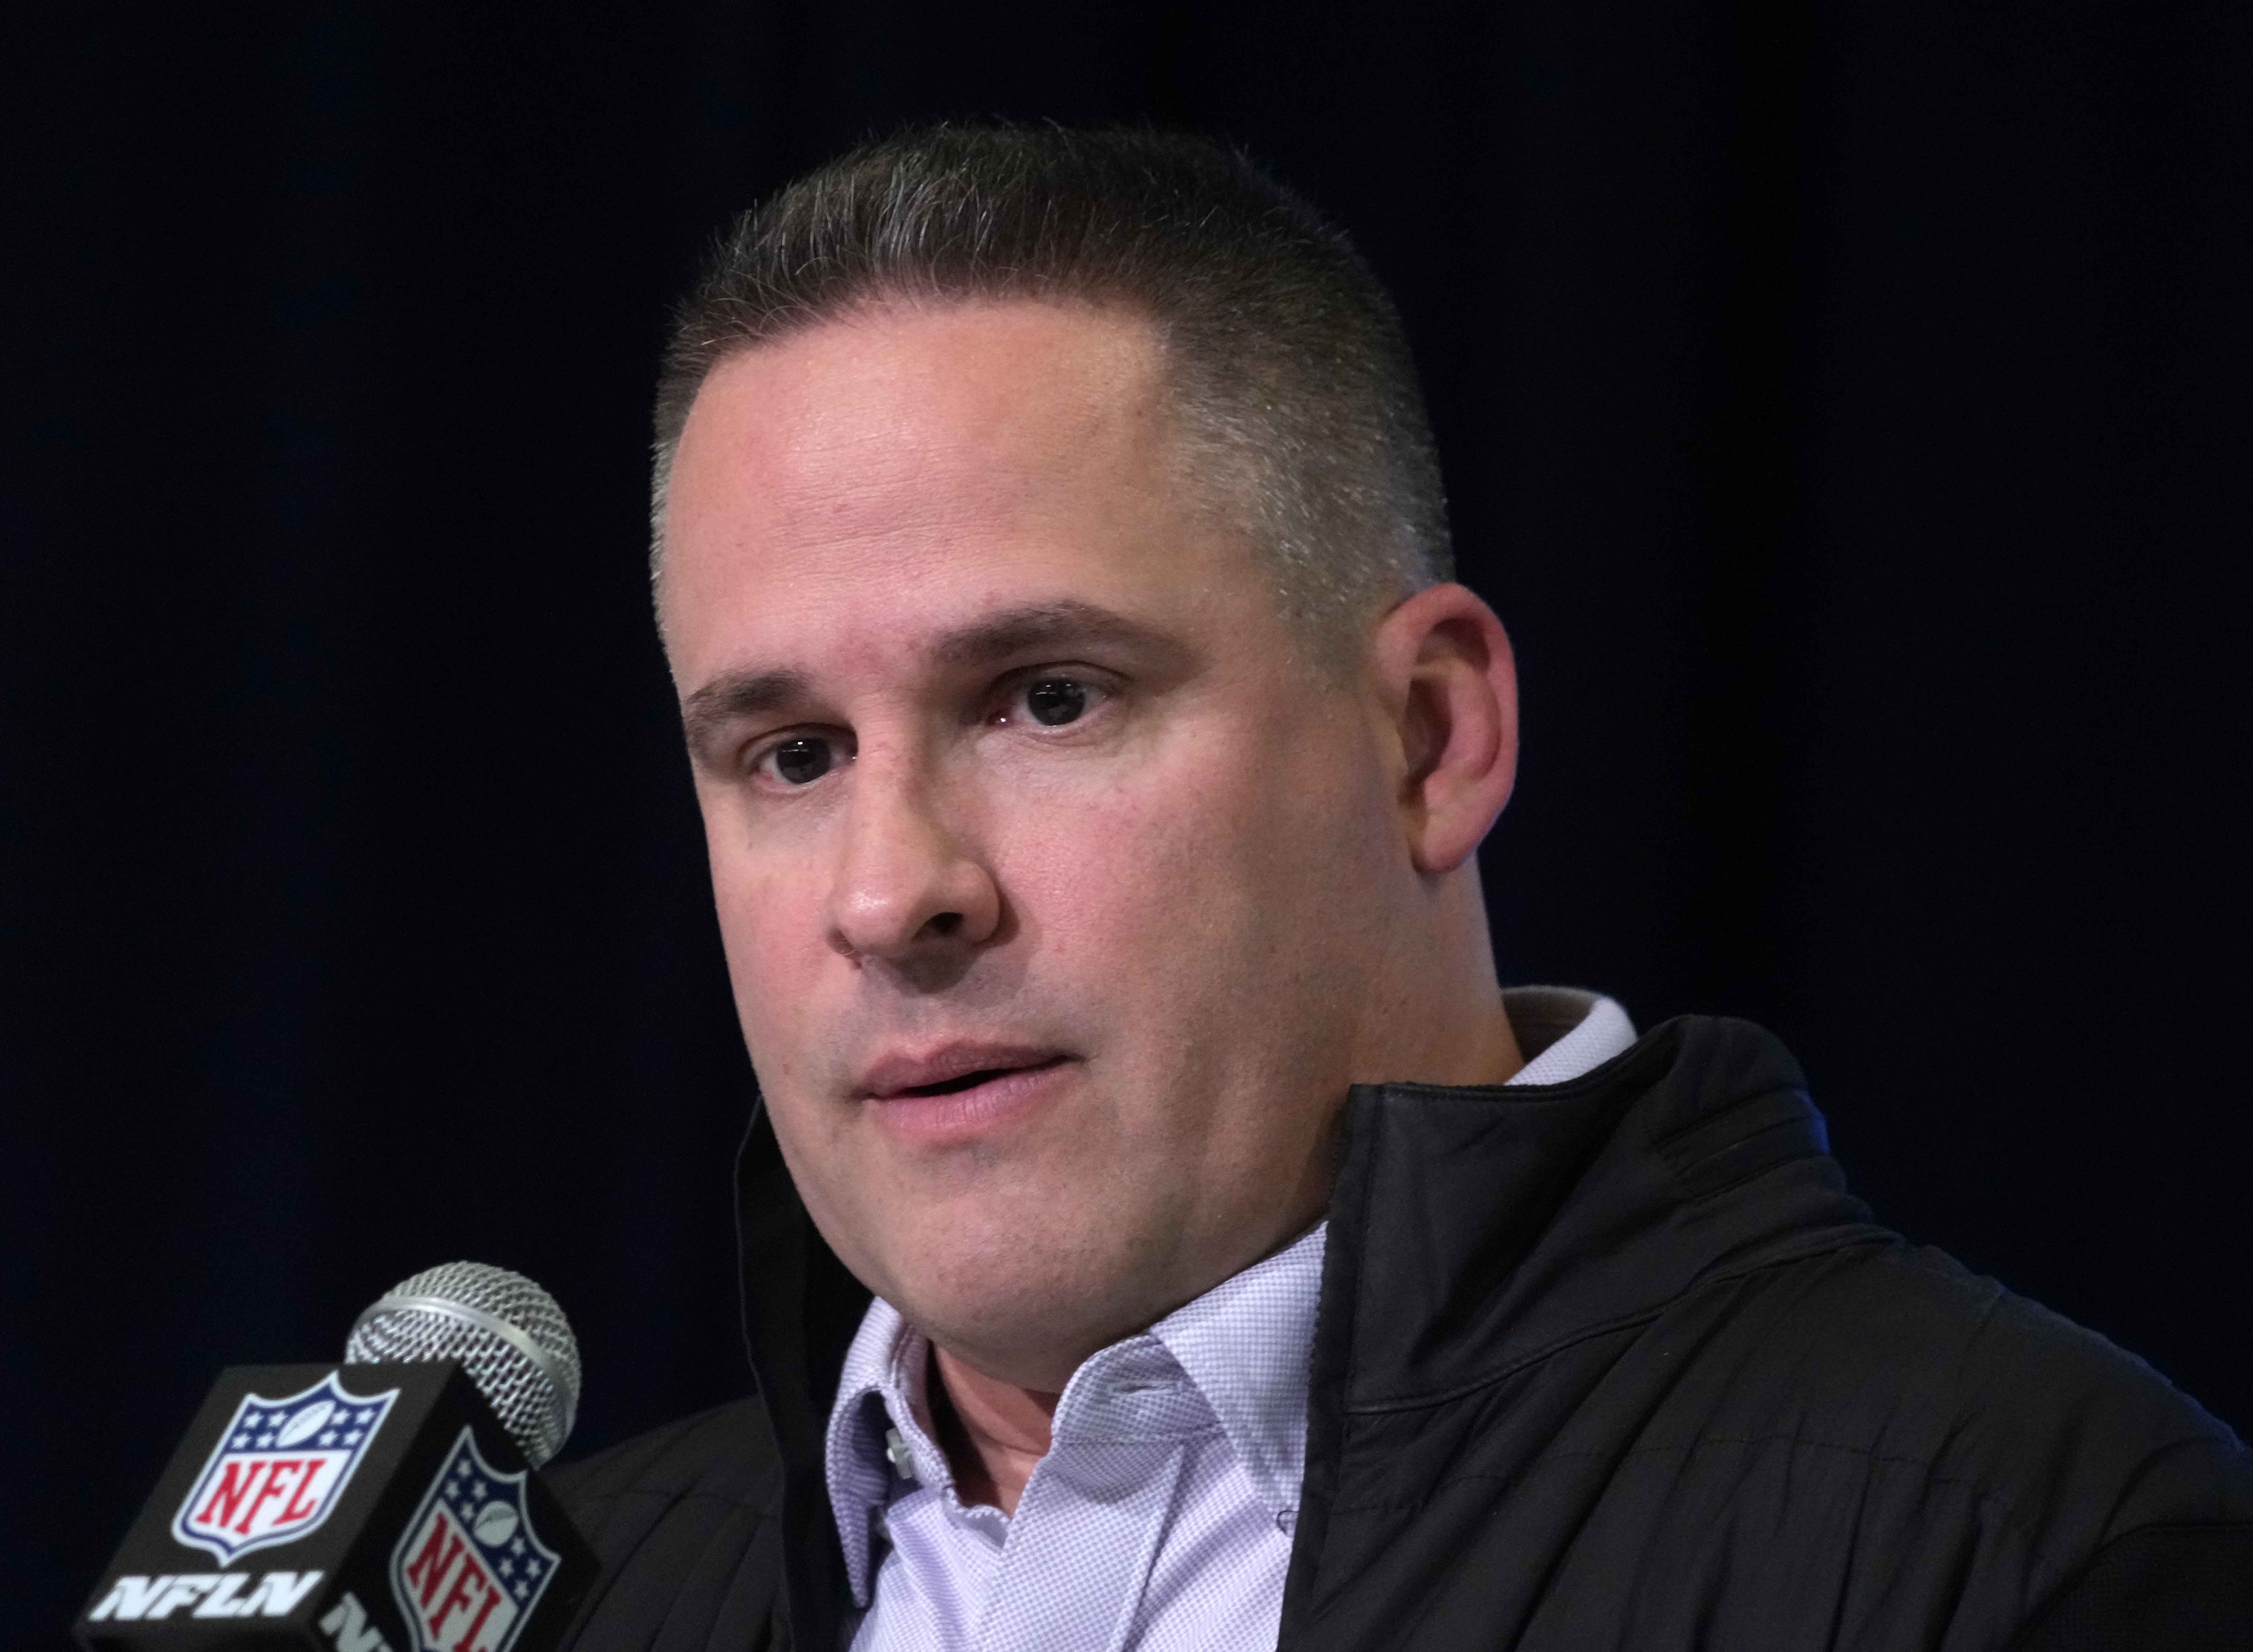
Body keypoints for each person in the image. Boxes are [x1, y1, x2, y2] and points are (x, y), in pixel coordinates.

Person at [547, 125, 2253, 1651]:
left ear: (1430, 737)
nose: (890, 893)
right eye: (791, 753)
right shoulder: (566, 1600)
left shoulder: (2027, 1553)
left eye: (1048, 699)